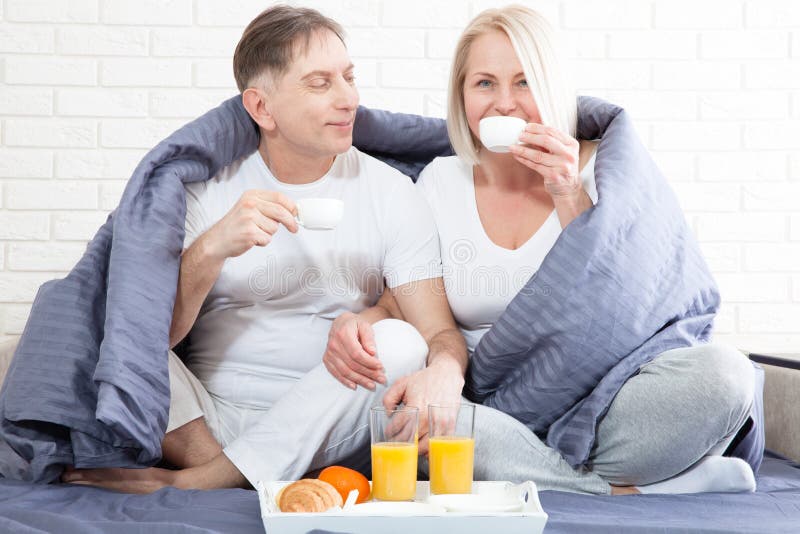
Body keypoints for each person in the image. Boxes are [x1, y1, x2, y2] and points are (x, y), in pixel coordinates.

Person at [324, 5, 757, 495]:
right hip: (490, 410)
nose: (505, 103)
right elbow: (404, 301)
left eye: (524, 82)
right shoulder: (439, 183)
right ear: (461, 96)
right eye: (484, 83)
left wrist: (568, 192)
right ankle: (632, 488)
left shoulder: (606, 173)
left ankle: (565, 475)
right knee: (413, 424)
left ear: (552, 87)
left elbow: (626, 307)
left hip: (608, 396)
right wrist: (360, 321)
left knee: (727, 376)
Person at [60, 5, 467, 493]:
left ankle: (207, 482)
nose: (348, 98)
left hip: (332, 425)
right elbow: (152, 340)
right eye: (320, 84)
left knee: (404, 341)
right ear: (260, 108)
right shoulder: (203, 192)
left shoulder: (392, 193)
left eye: (349, 77)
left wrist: (445, 370)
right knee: (109, 320)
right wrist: (212, 249)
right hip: (206, 427)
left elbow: (438, 331)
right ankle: (233, 468)